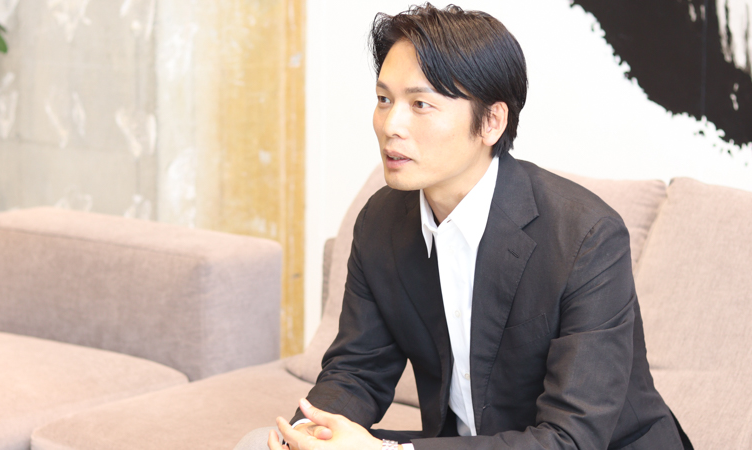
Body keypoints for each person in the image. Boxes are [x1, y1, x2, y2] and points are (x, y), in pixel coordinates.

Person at [268, 4, 691, 449]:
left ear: (491, 122)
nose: (391, 125)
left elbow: (571, 438)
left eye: (420, 104)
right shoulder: (381, 222)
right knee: (260, 442)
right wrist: (307, 434)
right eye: (384, 99)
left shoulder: (586, 237)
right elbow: (356, 370)